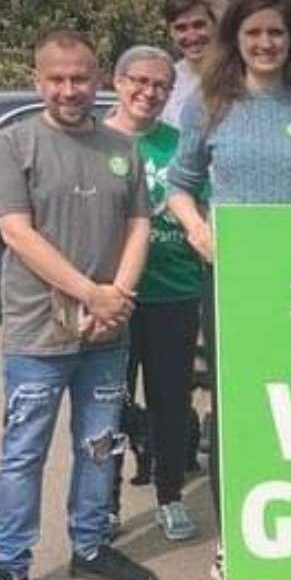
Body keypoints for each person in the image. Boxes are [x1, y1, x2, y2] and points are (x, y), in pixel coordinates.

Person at [0, 30, 157, 580]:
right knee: (23, 453)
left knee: (100, 447)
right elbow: (18, 234)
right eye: (57, 78)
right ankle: (9, 568)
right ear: (38, 79)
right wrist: (93, 292)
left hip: (106, 333)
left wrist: (117, 295)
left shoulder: (121, 148)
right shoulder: (13, 143)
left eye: (80, 77)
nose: (70, 89)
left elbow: (139, 226)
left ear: (98, 78)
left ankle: (91, 547)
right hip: (37, 336)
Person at [166, 0, 291, 580]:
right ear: (235, 40)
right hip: (235, 286)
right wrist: (198, 229)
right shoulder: (208, 105)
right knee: (239, 412)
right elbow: (180, 185)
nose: (266, 42)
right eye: (254, 33)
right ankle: (233, 540)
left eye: (276, 32)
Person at [102, 46, 203, 542]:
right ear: (117, 82)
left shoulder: (181, 144)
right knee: (110, 404)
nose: (149, 92)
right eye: (139, 81)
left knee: (169, 402)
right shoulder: (93, 141)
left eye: (161, 85)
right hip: (111, 296)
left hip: (175, 292)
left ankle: (169, 495)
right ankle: (106, 502)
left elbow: (202, 213)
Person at [161, 0, 229, 131]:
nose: (191, 37)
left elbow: (250, 36)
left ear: (215, 24)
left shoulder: (236, 71)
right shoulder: (165, 80)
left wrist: (217, 1)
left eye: (199, 25)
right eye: (181, 28)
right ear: (171, 32)